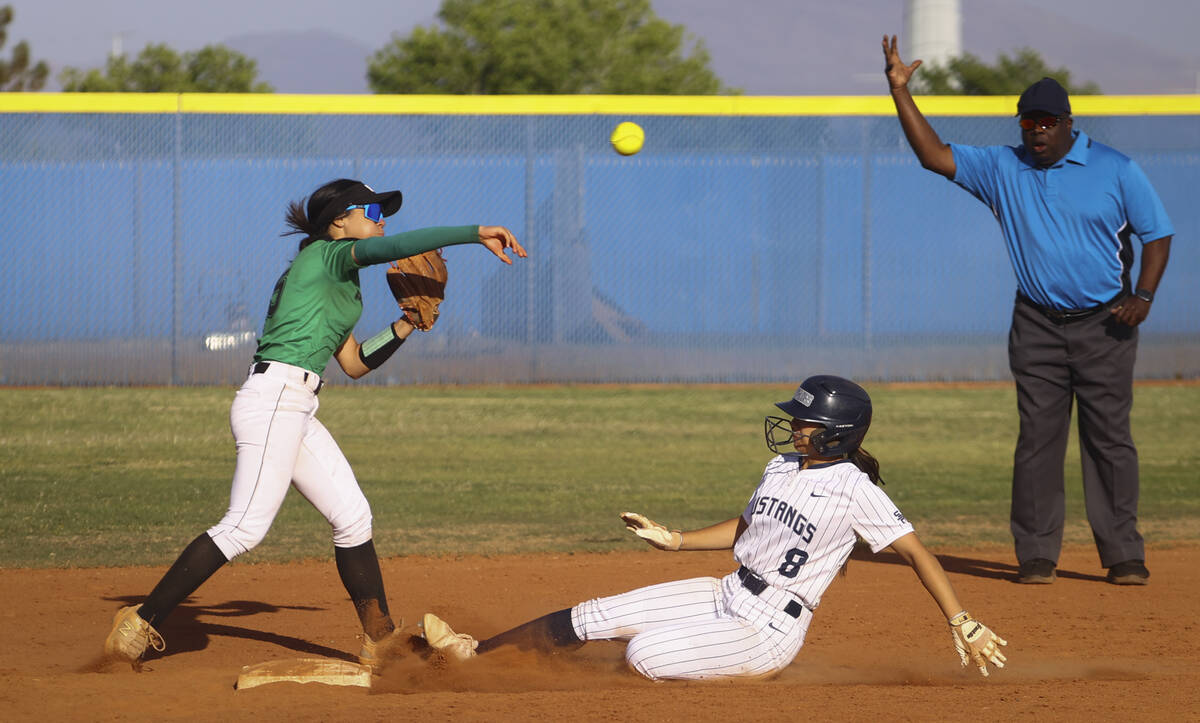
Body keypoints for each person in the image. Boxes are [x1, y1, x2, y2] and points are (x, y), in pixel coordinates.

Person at [102, 178, 527, 670]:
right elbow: (397, 246)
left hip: (297, 405)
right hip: (273, 400)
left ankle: (380, 641)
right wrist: (476, 233)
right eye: (371, 209)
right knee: (243, 527)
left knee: (352, 516)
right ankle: (140, 623)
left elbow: (354, 362)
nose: (381, 218)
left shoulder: (342, 286)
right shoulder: (328, 256)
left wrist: (407, 322)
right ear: (338, 221)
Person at [419, 375, 1008, 681]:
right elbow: (746, 526)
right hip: (726, 592)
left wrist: (962, 620)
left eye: (804, 422)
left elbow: (918, 555)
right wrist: (674, 539)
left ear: (836, 432)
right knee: (593, 614)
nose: (793, 429)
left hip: (770, 628)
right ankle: (474, 653)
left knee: (645, 655)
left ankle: (743, 674)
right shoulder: (783, 465)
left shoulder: (858, 490)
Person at [881, 36, 1174, 586]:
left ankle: (1123, 553)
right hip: (1037, 323)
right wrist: (900, 92)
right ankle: (1037, 554)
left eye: (1045, 122)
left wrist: (1145, 296)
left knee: (1108, 437)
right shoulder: (1002, 168)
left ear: (1067, 123)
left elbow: (1157, 236)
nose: (1035, 132)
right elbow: (933, 156)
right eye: (1026, 123)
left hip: (1107, 321)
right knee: (1038, 438)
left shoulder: (1115, 169)